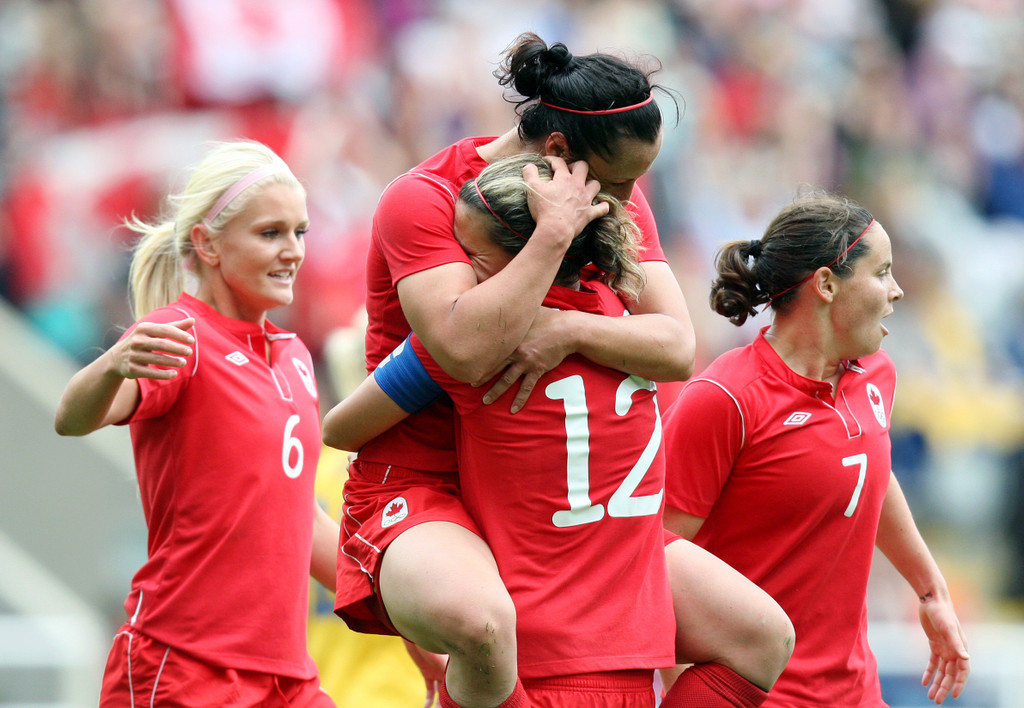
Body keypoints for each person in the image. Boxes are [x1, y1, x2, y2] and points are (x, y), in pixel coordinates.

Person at [328, 154, 794, 708]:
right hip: (626, 635)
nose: (463, 270)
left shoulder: (470, 343)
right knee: (767, 636)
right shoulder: (632, 325)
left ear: (533, 252)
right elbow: (680, 349)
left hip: (535, 664)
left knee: (483, 632)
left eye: (473, 255)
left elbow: (341, 428)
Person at [54, 140, 339, 707]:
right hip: (185, 667)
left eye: (299, 232)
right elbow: (72, 418)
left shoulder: (295, 356)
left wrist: (412, 618)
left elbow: (297, 513)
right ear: (208, 244)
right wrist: (112, 365)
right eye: (270, 233)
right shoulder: (179, 336)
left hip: (287, 679)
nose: (292, 252)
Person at [661, 190, 972, 707]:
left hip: (857, 693)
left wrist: (930, 591)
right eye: (882, 272)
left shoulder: (877, 375)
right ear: (826, 284)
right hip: (760, 696)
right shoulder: (724, 400)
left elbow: (870, 471)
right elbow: (658, 565)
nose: (897, 291)